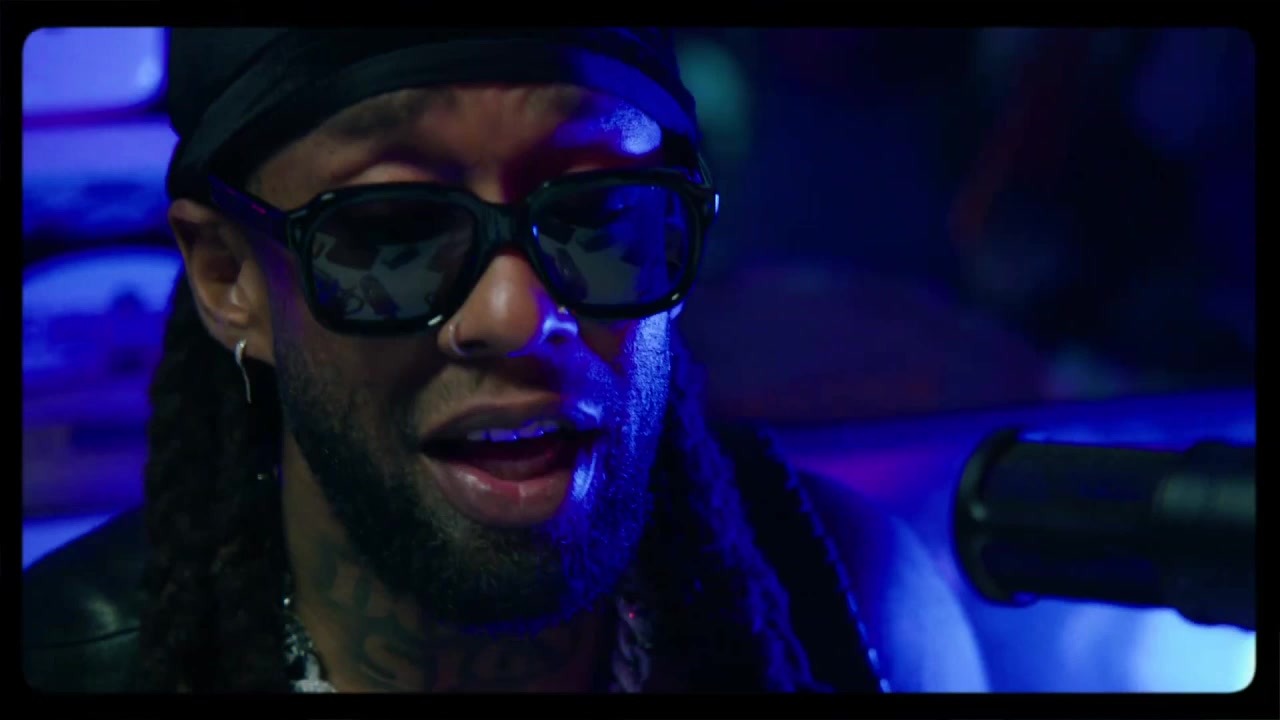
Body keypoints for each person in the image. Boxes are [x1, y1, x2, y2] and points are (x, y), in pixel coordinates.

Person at [22, 28, 988, 693]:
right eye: (396, 232)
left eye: (599, 215)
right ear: (228, 276)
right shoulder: (65, 659)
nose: (516, 313)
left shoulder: (852, 612)